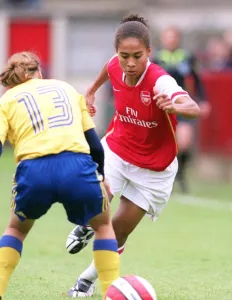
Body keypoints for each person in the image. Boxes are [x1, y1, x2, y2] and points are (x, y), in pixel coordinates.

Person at [0, 51, 120, 300]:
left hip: (34, 171)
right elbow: (94, 144)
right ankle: (112, 293)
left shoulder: (5, 101)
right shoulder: (66, 88)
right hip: (77, 167)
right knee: (103, 226)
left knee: (16, 230)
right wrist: (101, 177)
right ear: (40, 72)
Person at [65, 15, 200, 298]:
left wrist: (177, 107)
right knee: (94, 200)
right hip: (117, 149)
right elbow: (108, 69)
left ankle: (87, 278)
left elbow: (192, 106)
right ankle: (87, 223)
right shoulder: (116, 65)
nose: (130, 62)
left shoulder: (159, 80)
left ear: (149, 52)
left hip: (154, 169)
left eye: (137, 56)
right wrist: (90, 92)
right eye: (124, 55)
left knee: (119, 229)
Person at [153, 26, 211, 193]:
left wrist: (203, 100)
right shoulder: (156, 58)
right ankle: (162, 176)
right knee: (162, 143)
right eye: (167, 37)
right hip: (161, 105)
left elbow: (197, 79)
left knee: (185, 142)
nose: (170, 40)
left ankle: (181, 174)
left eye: (173, 37)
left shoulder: (186, 56)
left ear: (177, 39)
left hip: (181, 105)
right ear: (163, 39)